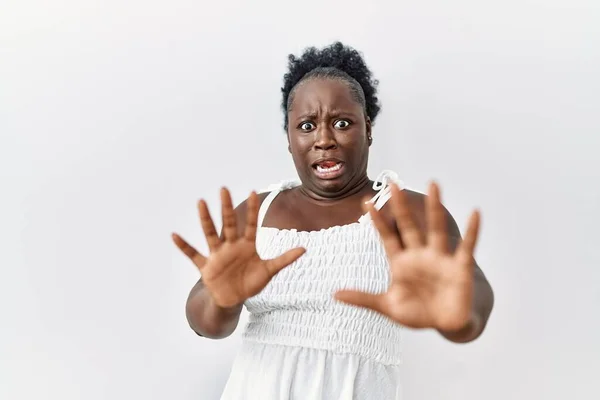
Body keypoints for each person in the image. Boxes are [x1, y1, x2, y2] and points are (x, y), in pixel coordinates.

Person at [172, 42, 495, 400]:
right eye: (306, 126)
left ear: (368, 128)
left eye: (342, 123)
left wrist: (457, 311)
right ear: (290, 139)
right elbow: (206, 325)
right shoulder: (254, 215)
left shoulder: (406, 212)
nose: (324, 139)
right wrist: (223, 300)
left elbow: (471, 306)